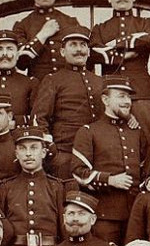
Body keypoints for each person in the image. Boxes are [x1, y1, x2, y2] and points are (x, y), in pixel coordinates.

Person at [71, 76, 148, 243]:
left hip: (135, 215)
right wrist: (110, 179)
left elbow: (145, 167)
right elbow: (78, 173)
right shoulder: (89, 132)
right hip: (104, 216)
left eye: (129, 97)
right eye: (121, 96)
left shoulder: (136, 131)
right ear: (105, 99)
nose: (127, 101)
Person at [89, 0, 150, 133]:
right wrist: (124, 54)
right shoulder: (100, 28)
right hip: (110, 93)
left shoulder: (145, 23)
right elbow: (93, 54)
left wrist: (114, 45)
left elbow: (148, 39)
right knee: (110, 140)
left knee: (146, 138)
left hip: (141, 93)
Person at [32, 25, 103, 181]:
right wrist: (52, 150)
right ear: (63, 52)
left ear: (89, 51)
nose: (79, 50)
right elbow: (39, 118)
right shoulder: (53, 80)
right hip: (65, 155)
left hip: (96, 156)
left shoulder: (100, 82)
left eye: (83, 45)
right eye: (73, 45)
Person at [0, 125, 65, 246]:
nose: (28, 153)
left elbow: (63, 229)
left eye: (34, 148)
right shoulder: (7, 187)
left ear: (43, 152)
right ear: (16, 154)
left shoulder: (56, 187)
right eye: (23, 149)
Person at [14, 0, 81, 81]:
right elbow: (21, 62)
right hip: (38, 88)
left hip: (67, 86)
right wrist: (42, 35)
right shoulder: (22, 25)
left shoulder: (70, 22)